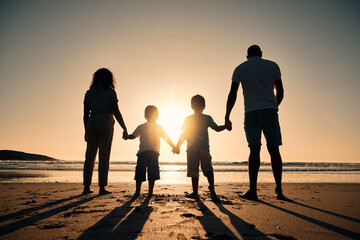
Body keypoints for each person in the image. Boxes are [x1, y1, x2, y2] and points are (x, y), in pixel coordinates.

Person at [225, 45, 286, 200]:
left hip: (251, 112)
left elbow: (233, 93)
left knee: (254, 150)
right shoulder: (272, 65)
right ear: (261, 54)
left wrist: (227, 116)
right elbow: (280, 91)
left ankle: (253, 190)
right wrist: (274, 106)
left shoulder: (240, 68)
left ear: (247, 56)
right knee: (274, 150)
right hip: (270, 111)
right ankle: (279, 190)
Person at [174, 95, 230, 202]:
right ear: (204, 106)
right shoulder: (207, 118)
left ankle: (195, 192)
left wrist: (177, 146)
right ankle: (212, 189)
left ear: (191, 106)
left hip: (191, 148)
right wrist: (226, 126)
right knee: (208, 168)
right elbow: (217, 128)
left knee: (194, 170)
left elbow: (183, 135)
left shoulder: (188, 119)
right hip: (204, 147)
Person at [83, 68, 128, 195]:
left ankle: (86, 187)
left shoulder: (89, 92)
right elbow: (116, 111)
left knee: (89, 156)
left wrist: (86, 130)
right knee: (104, 155)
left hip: (92, 120)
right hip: (106, 119)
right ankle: (102, 187)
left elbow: (85, 113)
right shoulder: (110, 92)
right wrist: (124, 128)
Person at [123, 105, 177, 197]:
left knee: (140, 172)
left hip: (142, 153)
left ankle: (137, 191)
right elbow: (166, 139)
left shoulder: (141, 126)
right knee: (152, 173)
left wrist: (127, 137)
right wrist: (174, 147)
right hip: (153, 153)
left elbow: (134, 136)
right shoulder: (159, 127)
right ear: (157, 116)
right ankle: (150, 192)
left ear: (145, 116)